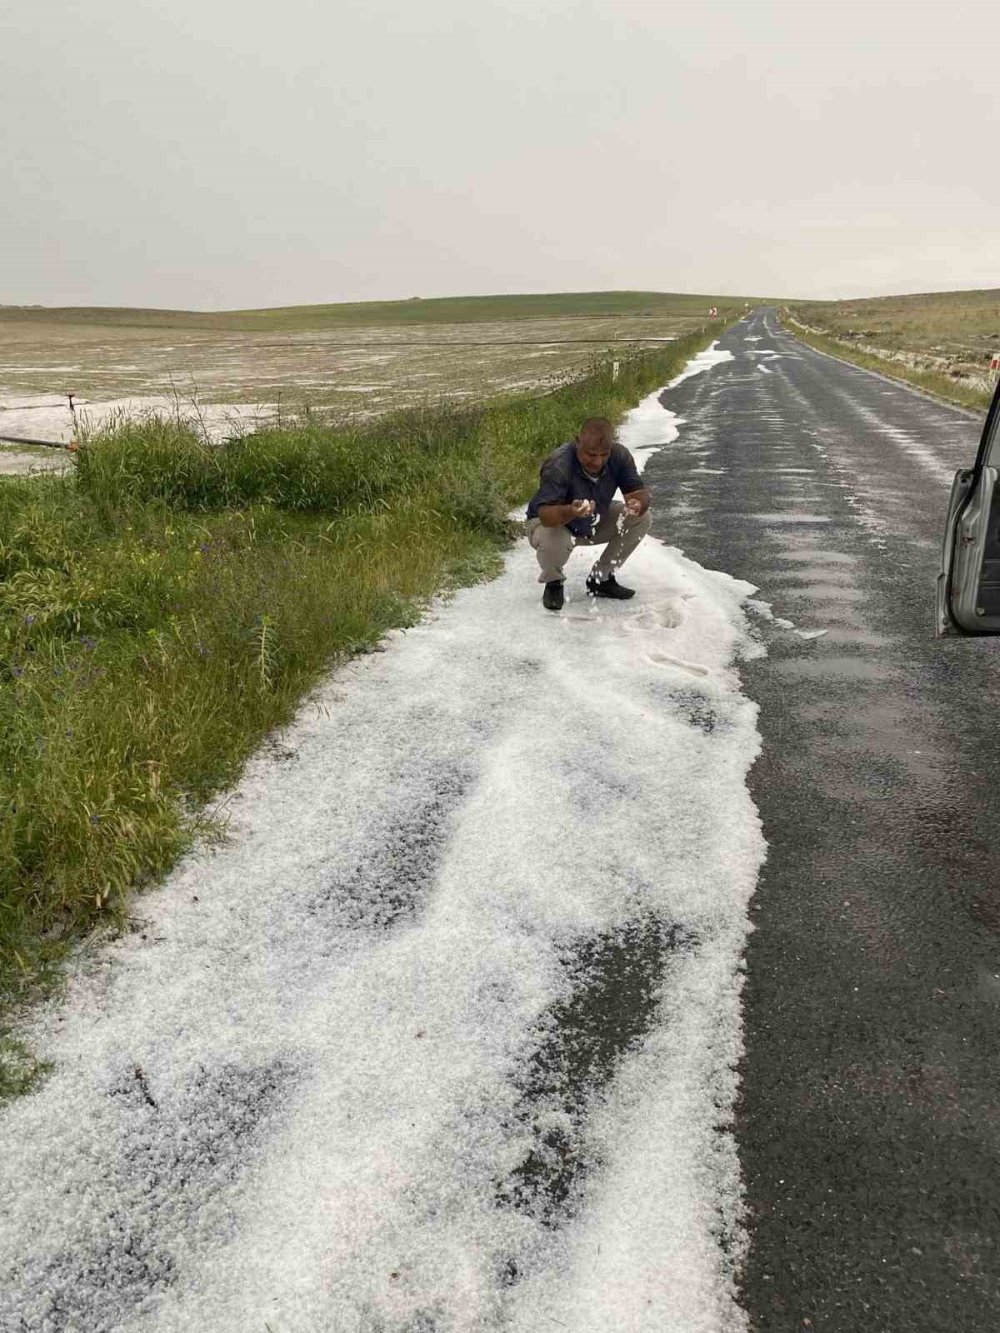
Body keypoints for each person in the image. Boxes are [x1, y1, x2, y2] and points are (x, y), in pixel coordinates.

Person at [524, 417, 652, 611]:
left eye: (604, 454)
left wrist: (638, 503)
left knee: (642, 517)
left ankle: (601, 578)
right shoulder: (558, 463)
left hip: (594, 516)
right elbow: (546, 515)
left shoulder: (620, 455)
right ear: (577, 443)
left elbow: (638, 492)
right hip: (552, 523)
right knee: (552, 539)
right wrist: (570, 511)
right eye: (591, 454)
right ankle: (554, 582)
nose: (598, 461)